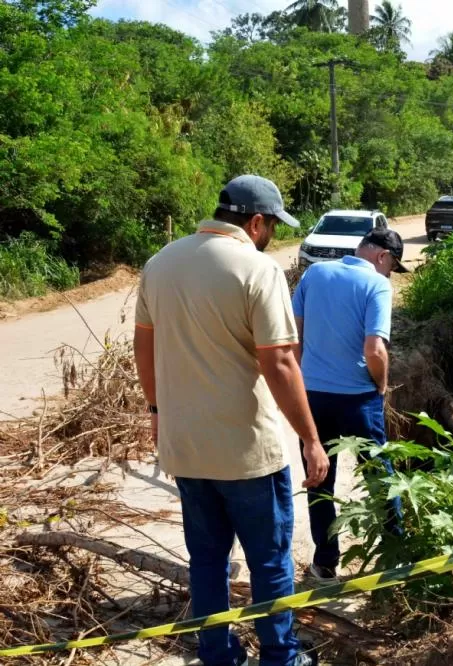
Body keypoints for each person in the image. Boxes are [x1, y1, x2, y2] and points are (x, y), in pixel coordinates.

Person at [133, 174, 330, 666]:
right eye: (273, 228)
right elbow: (281, 362)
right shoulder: (257, 271)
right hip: (246, 452)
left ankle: (217, 654)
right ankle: (281, 656)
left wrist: (157, 410)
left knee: (207, 561)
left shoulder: (160, 263)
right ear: (256, 222)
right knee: (269, 562)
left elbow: (144, 346)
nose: (273, 238)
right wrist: (310, 438)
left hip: (186, 447)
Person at [291, 227, 407, 580]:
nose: (390, 274)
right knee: (380, 478)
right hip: (358, 400)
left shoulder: (314, 273)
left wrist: (302, 383)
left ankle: (325, 563)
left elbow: (295, 337)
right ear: (382, 257)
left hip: (312, 398)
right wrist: (381, 385)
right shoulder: (377, 284)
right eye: (392, 266)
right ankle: (395, 557)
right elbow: (374, 349)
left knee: (319, 478)